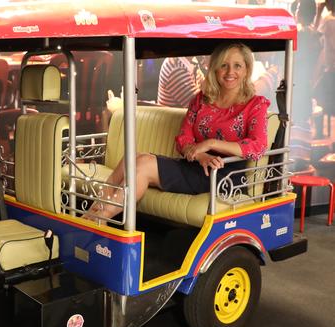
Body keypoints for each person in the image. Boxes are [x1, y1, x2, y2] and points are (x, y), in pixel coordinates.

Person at [83, 43, 270, 223]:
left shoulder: (255, 105)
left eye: (237, 66)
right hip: (195, 166)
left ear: (246, 70)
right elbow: (183, 139)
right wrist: (201, 155)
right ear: (215, 69)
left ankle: (96, 220)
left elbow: (257, 146)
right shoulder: (202, 100)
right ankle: (93, 215)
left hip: (224, 176)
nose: (230, 72)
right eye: (224, 65)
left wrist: (211, 144)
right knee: (131, 159)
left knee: (143, 168)